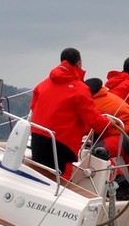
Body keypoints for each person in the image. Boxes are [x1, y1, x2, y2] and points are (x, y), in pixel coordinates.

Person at [29, 48, 111, 179]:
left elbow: (33, 107)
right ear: (79, 63)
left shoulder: (42, 85)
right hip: (62, 144)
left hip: (37, 138)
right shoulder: (80, 89)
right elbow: (94, 121)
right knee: (60, 180)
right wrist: (108, 122)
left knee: (41, 176)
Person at [85, 78, 129, 203]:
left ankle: (121, 184)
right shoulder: (107, 96)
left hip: (127, 135)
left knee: (98, 152)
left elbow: (86, 127)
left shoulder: (92, 104)